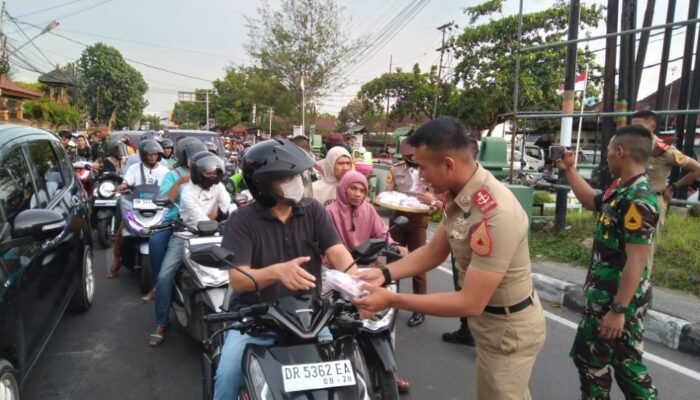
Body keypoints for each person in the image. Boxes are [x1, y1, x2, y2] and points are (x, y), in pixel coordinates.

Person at [353, 117, 546, 400]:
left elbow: (470, 301)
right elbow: (434, 252)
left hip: (508, 331)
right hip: (491, 324)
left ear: (448, 164)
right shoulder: (461, 195)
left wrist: (391, 299)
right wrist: (384, 275)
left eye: (422, 168)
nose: (420, 177)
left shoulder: (495, 214)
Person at [212, 139, 356, 400]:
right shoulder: (241, 220)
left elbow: (337, 253)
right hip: (255, 322)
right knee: (226, 378)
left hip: (310, 319)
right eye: (288, 177)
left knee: (345, 384)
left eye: (298, 175)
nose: (298, 182)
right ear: (264, 185)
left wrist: (359, 282)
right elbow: (238, 280)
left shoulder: (313, 210)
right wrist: (276, 272)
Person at [556, 125, 659, 399]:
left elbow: (637, 260)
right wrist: (569, 170)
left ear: (620, 152)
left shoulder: (639, 199)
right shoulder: (621, 189)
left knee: (600, 361)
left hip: (617, 299)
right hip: (608, 296)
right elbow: (592, 201)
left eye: (608, 153)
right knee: (615, 362)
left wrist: (618, 309)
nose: (607, 158)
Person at [326, 170, 411, 393]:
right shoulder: (329, 212)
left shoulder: (369, 210)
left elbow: (383, 234)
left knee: (384, 322)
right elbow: (325, 246)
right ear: (343, 189)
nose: (357, 193)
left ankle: (391, 371)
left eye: (362, 189)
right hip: (337, 274)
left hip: (368, 273)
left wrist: (394, 245)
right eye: (353, 188)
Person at [148, 149, 231, 346]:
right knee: (164, 276)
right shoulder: (188, 192)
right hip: (186, 237)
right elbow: (199, 219)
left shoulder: (218, 187)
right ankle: (161, 322)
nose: (212, 177)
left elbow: (229, 206)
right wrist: (218, 224)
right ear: (197, 173)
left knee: (239, 270)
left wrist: (238, 219)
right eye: (208, 173)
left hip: (214, 236)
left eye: (215, 173)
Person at [631, 110, 700, 273]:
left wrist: (673, 187)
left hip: (652, 202)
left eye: (640, 126)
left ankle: (641, 288)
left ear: (653, 126)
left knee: (645, 250)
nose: (636, 130)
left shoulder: (665, 150)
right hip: (629, 200)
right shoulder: (631, 146)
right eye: (633, 126)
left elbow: (697, 169)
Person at [384, 138, 440, 328]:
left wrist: (432, 201)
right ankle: (391, 302)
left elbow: (435, 205)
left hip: (418, 221)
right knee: (393, 263)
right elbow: (388, 192)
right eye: (409, 158)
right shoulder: (395, 169)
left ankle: (419, 309)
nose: (413, 161)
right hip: (398, 219)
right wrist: (392, 197)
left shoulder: (429, 171)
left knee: (419, 265)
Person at [143, 138, 207, 302]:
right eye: (191, 155)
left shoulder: (206, 172)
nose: (194, 159)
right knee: (155, 243)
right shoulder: (172, 175)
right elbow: (165, 200)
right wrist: (178, 184)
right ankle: (158, 286)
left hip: (204, 223)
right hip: (175, 223)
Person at [107, 140, 169, 278]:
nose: (152, 157)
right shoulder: (134, 168)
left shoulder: (165, 171)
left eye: (155, 155)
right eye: (149, 155)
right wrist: (123, 186)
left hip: (158, 207)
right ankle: (117, 259)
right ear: (143, 155)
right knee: (121, 231)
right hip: (136, 206)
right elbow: (126, 182)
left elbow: (169, 187)